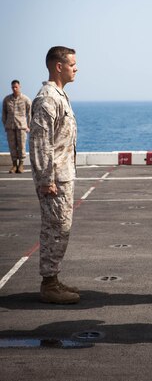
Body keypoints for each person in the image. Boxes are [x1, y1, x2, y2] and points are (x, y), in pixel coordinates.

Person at [30, 46, 79, 304]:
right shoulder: (47, 98)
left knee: (61, 229)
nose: (76, 68)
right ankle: (49, 284)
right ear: (58, 66)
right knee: (55, 229)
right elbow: (40, 142)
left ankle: (54, 279)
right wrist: (46, 179)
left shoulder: (59, 95)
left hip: (63, 176)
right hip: (55, 180)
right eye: (72, 64)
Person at [2, 80, 32, 173]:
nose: (14, 89)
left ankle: (21, 165)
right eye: (13, 87)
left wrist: (29, 126)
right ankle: (14, 165)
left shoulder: (26, 99)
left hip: (22, 126)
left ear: (19, 87)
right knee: (12, 146)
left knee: (22, 146)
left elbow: (30, 113)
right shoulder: (7, 99)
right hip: (10, 126)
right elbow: (4, 114)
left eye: (16, 87)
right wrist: (5, 125)